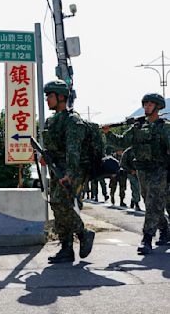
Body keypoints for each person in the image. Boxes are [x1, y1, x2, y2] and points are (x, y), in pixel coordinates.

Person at [103, 93, 170, 255]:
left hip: (160, 170)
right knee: (149, 202)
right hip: (142, 171)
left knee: (154, 201)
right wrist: (108, 133)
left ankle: (147, 238)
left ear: (158, 107)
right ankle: (164, 228)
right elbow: (121, 142)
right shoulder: (137, 127)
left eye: (150, 104)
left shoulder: (165, 127)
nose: (146, 107)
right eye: (145, 104)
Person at [41, 80, 95, 263]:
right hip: (57, 170)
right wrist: (45, 156)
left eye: (50, 95)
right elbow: (53, 147)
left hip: (73, 170)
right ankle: (66, 248)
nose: (47, 99)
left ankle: (83, 233)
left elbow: (74, 151)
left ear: (61, 97)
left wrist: (70, 175)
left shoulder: (73, 121)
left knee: (64, 204)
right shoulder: (52, 121)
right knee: (57, 205)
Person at [120, 147, 141, 211]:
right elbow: (122, 163)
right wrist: (130, 170)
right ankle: (136, 203)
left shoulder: (142, 149)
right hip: (131, 173)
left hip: (141, 172)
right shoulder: (128, 152)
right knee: (136, 186)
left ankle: (133, 200)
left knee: (140, 188)